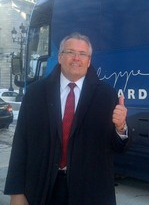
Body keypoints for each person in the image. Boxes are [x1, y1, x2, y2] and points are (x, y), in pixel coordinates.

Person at [4, 32, 130, 205]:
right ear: (60, 57)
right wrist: (16, 192)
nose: (76, 58)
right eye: (70, 52)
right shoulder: (35, 93)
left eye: (82, 54)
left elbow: (118, 148)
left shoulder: (107, 95)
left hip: (90, 192)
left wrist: (121, 128)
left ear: (89, 61)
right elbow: (21, 144)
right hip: (42, 188)